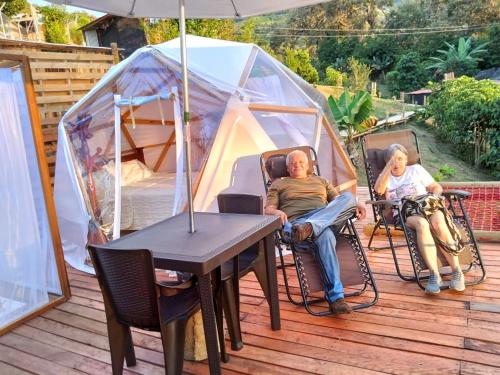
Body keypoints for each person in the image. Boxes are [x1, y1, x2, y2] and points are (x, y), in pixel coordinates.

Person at [264, 149, 366, 314]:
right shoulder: (279, 184)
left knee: (348, 197)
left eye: (301, 162)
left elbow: (339, 202)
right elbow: (268, 210)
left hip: (319, 221)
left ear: (307, 166)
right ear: (287, 168)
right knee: (324, 235)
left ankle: (312, 226)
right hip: (298, 225)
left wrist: (356, 204)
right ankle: (336, 298)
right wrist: (277, 213)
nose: (297, 165)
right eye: (293, 163)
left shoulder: (321, 181)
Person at [374, 143, 465, 294]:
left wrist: (435, 198)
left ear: (406, 159)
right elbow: (378, 190)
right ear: (387, 162)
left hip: (426, 205)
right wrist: (387, 168)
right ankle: (434, 275)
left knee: (438, 222)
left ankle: (457, 270)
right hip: (406, 211)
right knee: (422, 224)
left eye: (400, 158)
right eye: (392, 159)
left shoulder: (416, 169)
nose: (396, 163)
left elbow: (436, 187)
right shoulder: (386, 176)